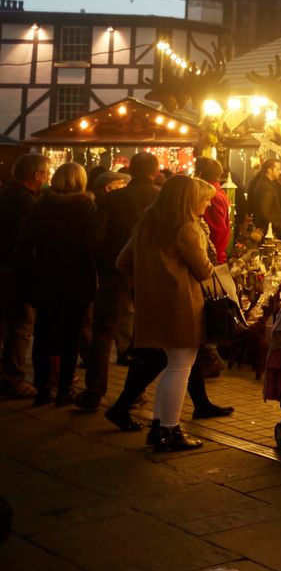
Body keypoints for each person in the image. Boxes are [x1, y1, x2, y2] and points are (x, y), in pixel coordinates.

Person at [108, 175, 217, 451]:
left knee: (171, 366)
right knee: (180, 367)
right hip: (182, 305)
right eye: (202, 198)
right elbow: (204, 270)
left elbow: (122, 261)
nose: (205, 204)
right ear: (188, 198)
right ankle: (168, 429)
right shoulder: (186, 228)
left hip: (151, 305)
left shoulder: (146, 225)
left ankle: (160, 426)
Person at [80, 151, 161, 409]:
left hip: (114, 274)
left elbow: (94, 239)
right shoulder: (161, 199)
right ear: (154, 171)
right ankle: (133, 394)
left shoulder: (112, 199)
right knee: (143, 339)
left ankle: (94, 393)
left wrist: (103, 267)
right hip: (150, 277)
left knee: (103, 334)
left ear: (130, 170)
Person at [24, 162, 98, 406]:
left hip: (46, 276)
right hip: (77, 277)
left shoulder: (40, 205)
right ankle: (65, 388)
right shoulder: (87, 207)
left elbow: (26, 244)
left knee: (43, 333)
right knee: (71, 335)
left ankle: (43, 387)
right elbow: (93, 244)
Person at [0, 153, 50, 398]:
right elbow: (28, 244)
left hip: (4, 267)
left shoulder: (5, 195)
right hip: (15, 271)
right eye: (46, 173)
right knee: (20, 326)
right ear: (36, 175)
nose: (47, 177)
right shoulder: (27, 203)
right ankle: (12, 379)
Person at [193, 157, 231, 266]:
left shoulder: (210, 196)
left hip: (212, 258)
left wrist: (211, 256)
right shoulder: (219, 192)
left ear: (199, 174)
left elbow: (217, 230)